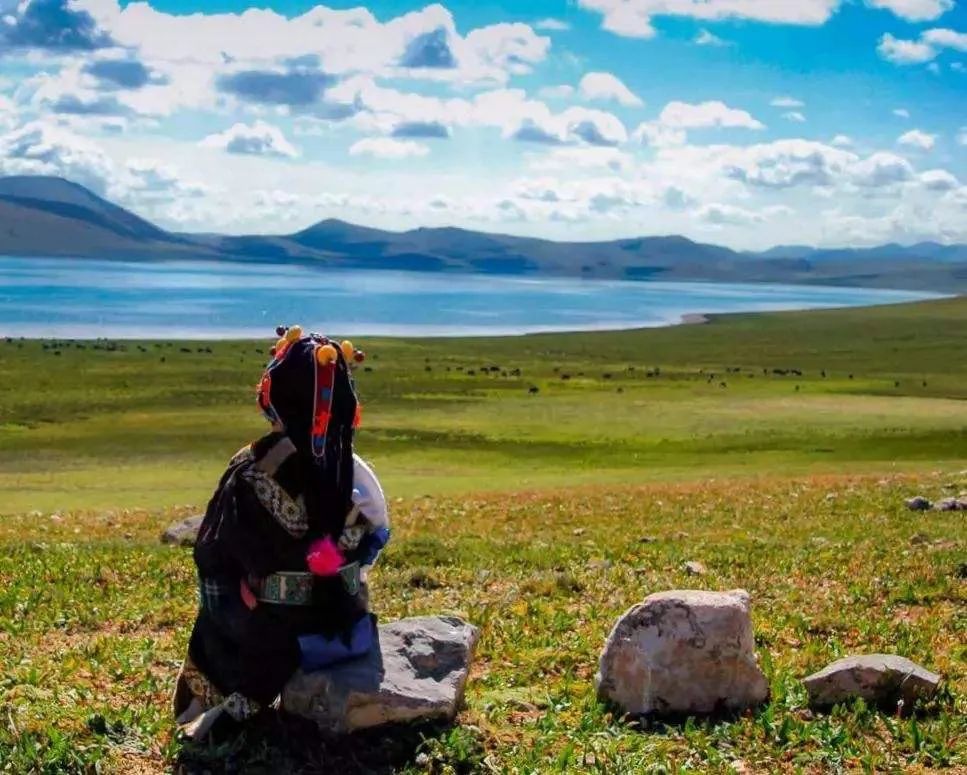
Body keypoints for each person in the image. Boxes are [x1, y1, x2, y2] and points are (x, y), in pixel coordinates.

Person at [173, 326, 389, 740]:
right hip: (342, 617)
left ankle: (210, 709)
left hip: (265, 626)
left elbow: (215, 552)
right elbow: (372, 547)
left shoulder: (253, 468)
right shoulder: (357, 473)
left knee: (222, 617)